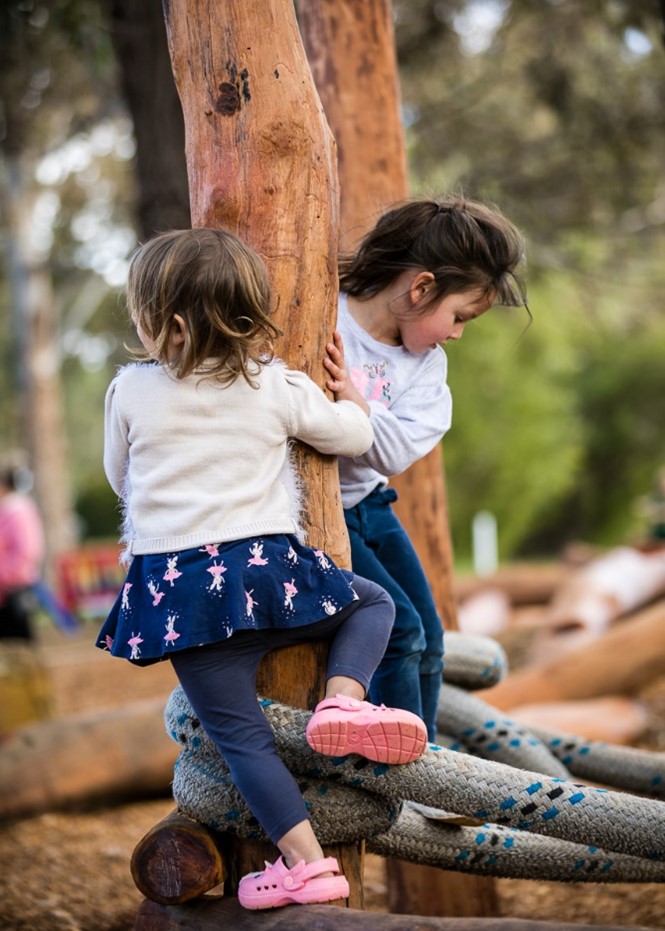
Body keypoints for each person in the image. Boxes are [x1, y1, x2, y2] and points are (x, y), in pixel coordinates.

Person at [95, 228, 427, 911]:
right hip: (267, 573)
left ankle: (307, 865)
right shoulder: (274, 384)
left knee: (242, 740)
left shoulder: (130, 391)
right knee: (372, 606)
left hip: (180, 592)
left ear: (170, 324)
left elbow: (120, 478)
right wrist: (352, 396)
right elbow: (353, 437)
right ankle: (343, 699)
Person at [323, 195, 527, 742]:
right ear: (420, 287)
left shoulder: (426, 368)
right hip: (320, 515)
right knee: (400, 629)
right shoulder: (323, 316)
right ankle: (397, 768)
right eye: (458, 316)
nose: (458, 333)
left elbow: (392, 451)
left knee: (432, 635)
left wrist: (356, 410)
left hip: (370, 504)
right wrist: (359, 419)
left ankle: (429, 758)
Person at [0, 457, 45, 642]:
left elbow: (27, 553)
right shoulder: (8, 510)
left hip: (15, 589)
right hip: (6, 589)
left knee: (18, 646)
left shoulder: (18, 510)